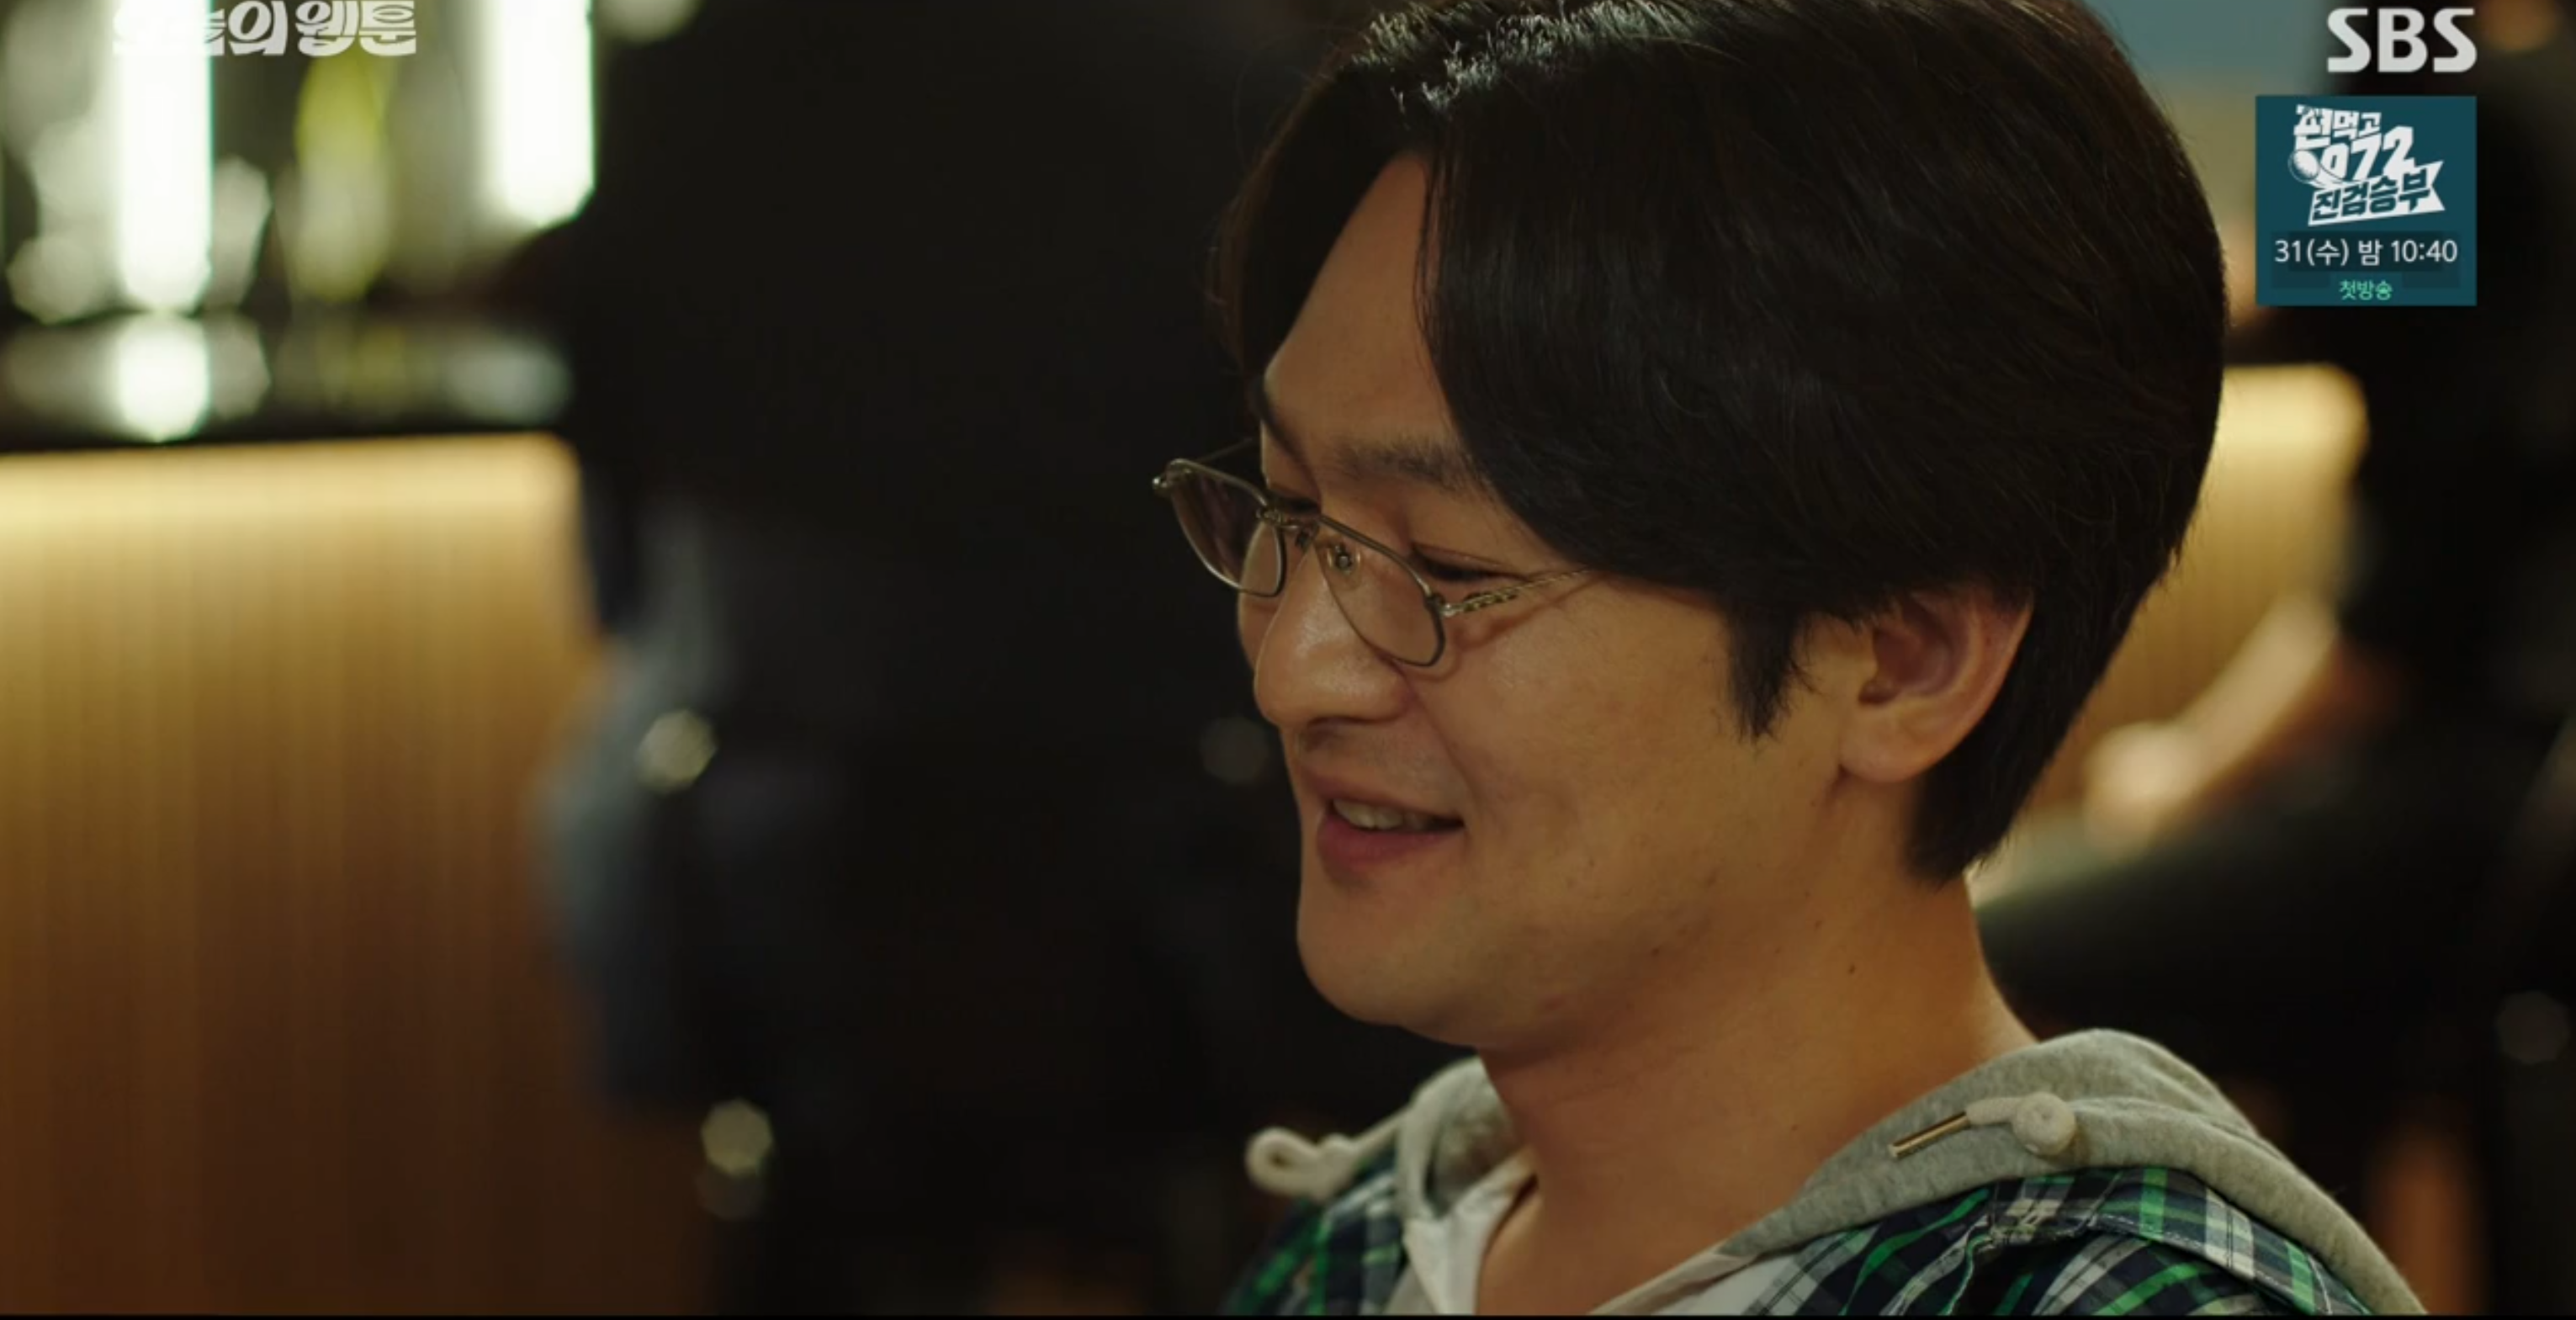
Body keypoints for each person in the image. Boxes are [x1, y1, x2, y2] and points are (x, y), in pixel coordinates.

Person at [1149, 0, 2423, 1313]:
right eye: (1289, 511)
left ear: (1898, 662)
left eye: (1449, 569)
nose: (1291, 673)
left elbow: (2424, 538)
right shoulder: (1357, 1248)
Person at [526, 2, 1456, 1312]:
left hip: (765, 892)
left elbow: (614, 561)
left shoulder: (679, 89)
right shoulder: (1225, 89)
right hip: (1167, 903)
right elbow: (1293, 503)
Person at [1979, 2, 2576, 1308]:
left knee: (1978, 956)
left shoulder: (2409, 57)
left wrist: (2188, 772)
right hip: (2528, 807)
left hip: (2487, 798)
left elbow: (2401, 611)